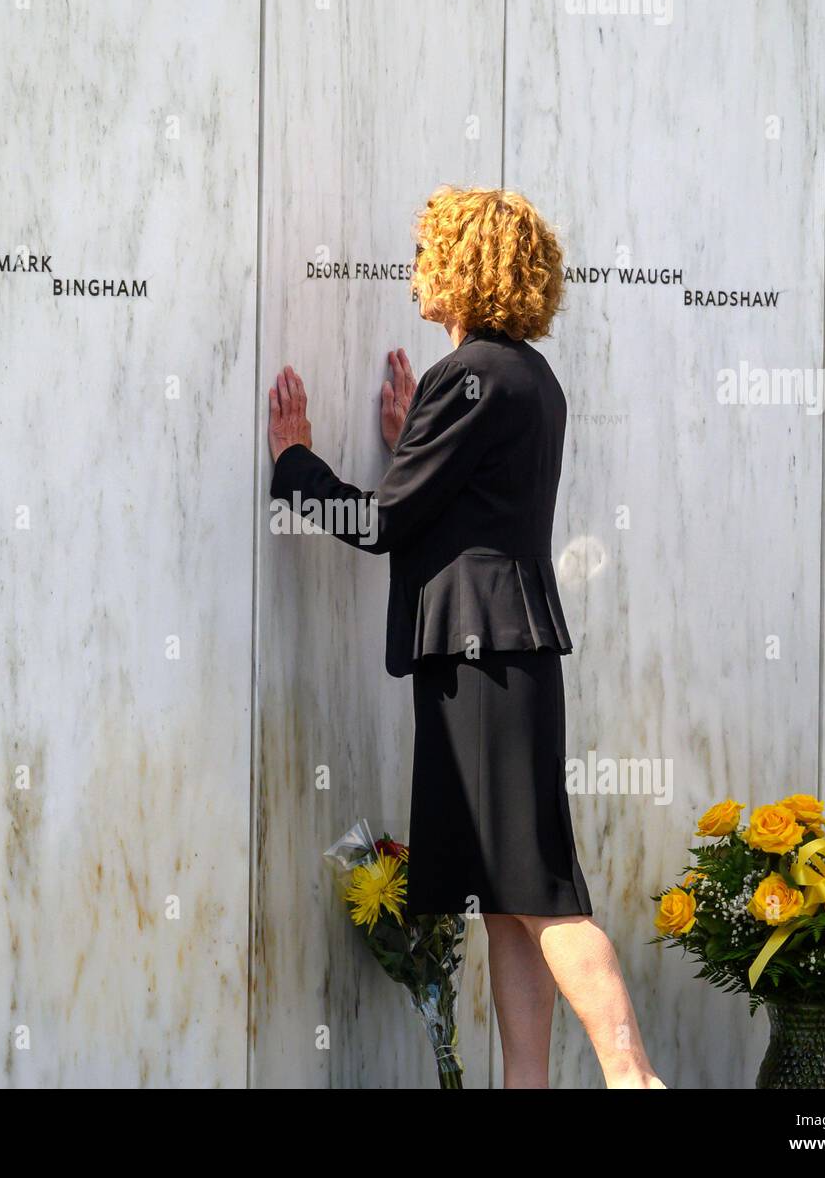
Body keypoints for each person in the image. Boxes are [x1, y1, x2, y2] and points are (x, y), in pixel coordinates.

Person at [266, 186, 665, 1089]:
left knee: (542, 892)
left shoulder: (474, 374)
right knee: (507, 899)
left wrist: (296, 462)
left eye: (424, 253)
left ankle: (633, 1078)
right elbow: (459, 507)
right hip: (494, 656)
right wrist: (416, 442)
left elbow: (382, 524)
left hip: (482, 662)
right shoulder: (522, 377)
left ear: (460, 264)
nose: (414, 270)